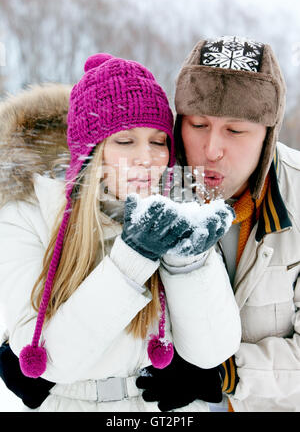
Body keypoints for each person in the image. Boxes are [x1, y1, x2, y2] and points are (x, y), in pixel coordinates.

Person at [0, 53, 241, 412]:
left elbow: (212, 351)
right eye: (125, 141)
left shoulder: (179, 211)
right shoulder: (29, 216)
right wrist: (132, 259)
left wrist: (187, 264)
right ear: (90, 152)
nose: (147, 157)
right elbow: (47, 360)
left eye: (158, 142)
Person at [137, 36, 300, 412]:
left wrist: (228, 373)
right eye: (198, 125)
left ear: (268, 135)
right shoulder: (147, 187)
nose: (211, 149)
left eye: (236, 130)